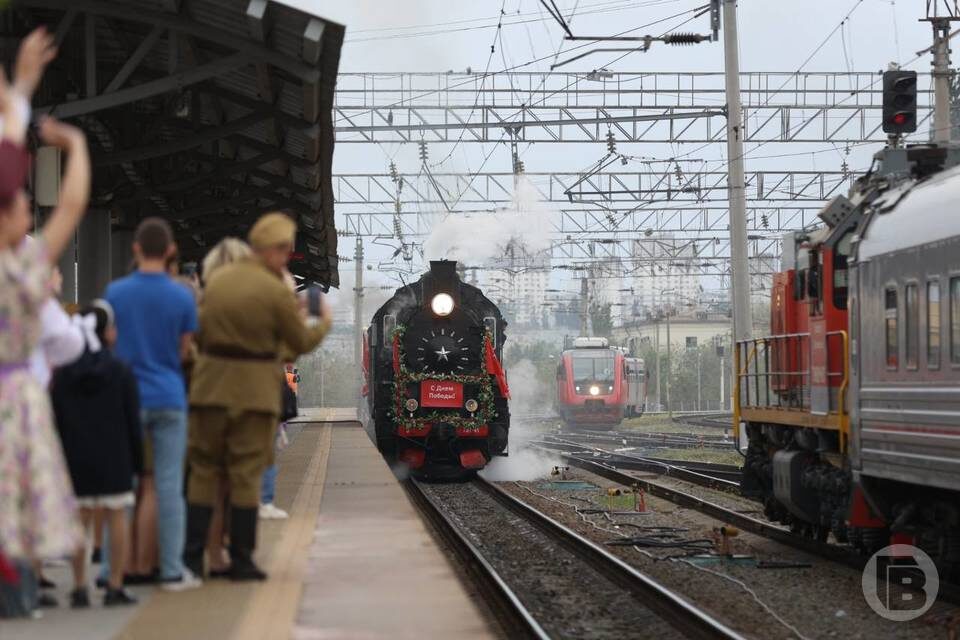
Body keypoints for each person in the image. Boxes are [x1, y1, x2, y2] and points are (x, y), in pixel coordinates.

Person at [184, 213, 330, 581]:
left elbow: (198, 332)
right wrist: (323, 321)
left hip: (209, 388)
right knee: (246, 474)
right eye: (285, 252)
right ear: (275, 249)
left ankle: (191, 558)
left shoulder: (217, 281)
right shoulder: (274, 290)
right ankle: (242, 558)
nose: (286, 259)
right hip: (253, 393)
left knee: (204, 472)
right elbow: (300, 342)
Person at [0, 26, 90, 618]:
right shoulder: (23, 273)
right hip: (17, 415)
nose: (31, 209)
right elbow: (76, 203)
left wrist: (21, 95)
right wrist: (75, 147)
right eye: (24, 203)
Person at [105, 217, 200, 591]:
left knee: (123, 486)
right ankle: (172, 570)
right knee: (168, 486)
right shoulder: (182, 296)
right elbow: (183, 349)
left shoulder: (115, 293)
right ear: (172, 251)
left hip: (126, 399)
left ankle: (114, 571)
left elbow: (111, 344)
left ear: (135, 249)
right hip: (169, 397)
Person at [51, 301, 142, 608]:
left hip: (75, 457)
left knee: (81, 518)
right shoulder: (120, 370)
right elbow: (132, 419)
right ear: (110, 333)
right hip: (114, 456)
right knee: (117, 515)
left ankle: (79, 587)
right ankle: (114, 585)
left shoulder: (63, 374)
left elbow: (56, 418)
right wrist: (137, 461)